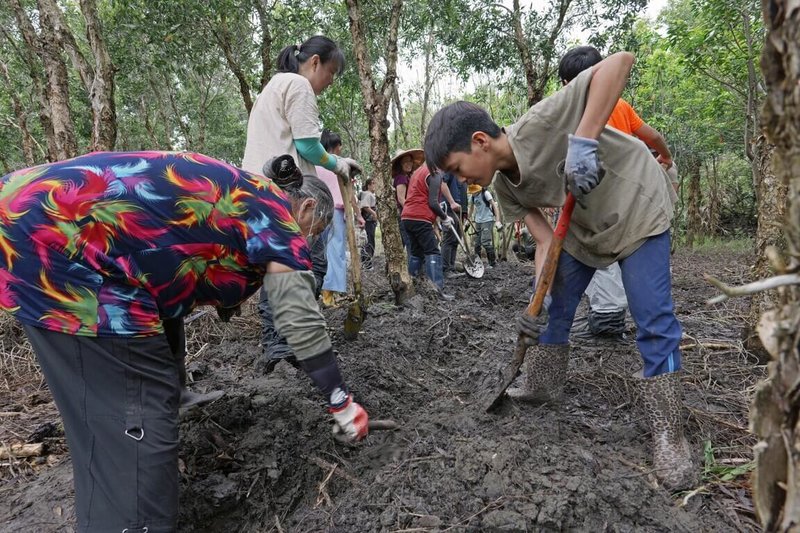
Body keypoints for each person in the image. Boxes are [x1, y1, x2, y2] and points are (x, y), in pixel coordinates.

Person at [0, 151, 370, 532]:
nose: (309, 240)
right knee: (136, 410)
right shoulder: (277, 218)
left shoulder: (241, 194)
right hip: (56, 237)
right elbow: (299, 319)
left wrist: (175, 389)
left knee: (139, 397)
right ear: (306, 205)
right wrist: (341, 403)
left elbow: (166, 282)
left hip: (30, 212)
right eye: (316, 227)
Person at [423, 51, 693, 490]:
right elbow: (547, 242)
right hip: (586, 229)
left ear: (480, 142)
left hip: (637, 207)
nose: (461, 179)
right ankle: (543, 385)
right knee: (555, 304)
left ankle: (669, 432)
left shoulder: (541, 122)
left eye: (457, 169)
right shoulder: (503, 188)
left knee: (652, 316)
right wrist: (539, 294)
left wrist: (583, 141)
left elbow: (620, 62)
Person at [558, 45, 678, 341]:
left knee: (601, 255)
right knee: (634, 265)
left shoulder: (569, 110)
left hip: (602, 197)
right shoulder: (620, 104)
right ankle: (613, 319)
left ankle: (608, 320)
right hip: (637, 197)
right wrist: (666, 157)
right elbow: (652, 136)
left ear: (565, 85)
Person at [316, 129, 364, 307]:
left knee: (321, 252)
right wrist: (359, 215)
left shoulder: (315, 165)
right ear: (336, 147)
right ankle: (329, 294)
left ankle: (322, 292)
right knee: (336, 251)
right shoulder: (340, 165)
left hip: (318, 213)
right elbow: (350, 195)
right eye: (340, 145)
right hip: (335, 211)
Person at [400, 165, 456, 300]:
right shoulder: (435, 173)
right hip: (420, 217)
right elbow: (433, 203)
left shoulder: (419, 171)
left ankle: (412, 288)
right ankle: (436, 291)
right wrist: (445, 217)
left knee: (416, 253)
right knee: (433, 252)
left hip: (407, 217)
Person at [391, 148, 424, 248]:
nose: (408, 164)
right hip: (405, 213)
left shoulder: (408, 177)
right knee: (410, 244)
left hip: (407, 213)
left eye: (410, 161)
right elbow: (401, 199)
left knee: (408, 243)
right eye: (405, 161)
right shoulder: (401, 178)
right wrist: (413, 213)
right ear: (400, 164)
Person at [468, 186, 503, 268]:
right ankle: (478, 264)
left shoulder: (486, 194)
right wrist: (468, 219)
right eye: (472, 192)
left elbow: (494, 206)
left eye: (474, 191)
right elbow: (471, 208)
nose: (473, 193)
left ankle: (492, 263)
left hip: (487, 219)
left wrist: (497, 221)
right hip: (478, 221)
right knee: (477, 243)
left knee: (485, 242)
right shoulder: (473, 197)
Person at [359, 177, 378, 269]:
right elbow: (365, 206)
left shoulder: (370, 194)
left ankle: (365, 262)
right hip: (368, 221)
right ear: (368, 185)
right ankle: (367, 264)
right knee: (369, 242)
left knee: (368, 241)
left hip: (370, 221)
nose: (375, 185)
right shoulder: (367, 194)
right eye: (373, 183)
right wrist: (374, 213)